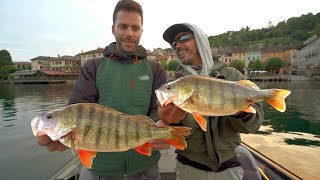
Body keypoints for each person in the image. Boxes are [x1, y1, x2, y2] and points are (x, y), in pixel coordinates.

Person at [36, 0, 169, 179]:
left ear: (141, 31)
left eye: (135, 28)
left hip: (145, 167)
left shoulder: (154, 68)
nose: (129, 33)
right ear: (113, 28)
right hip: (101, 171)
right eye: (123, 26)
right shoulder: (93, 67)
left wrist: (159, 126)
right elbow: (79, 111)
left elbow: (158, 109)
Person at [158, 23, 264, 180]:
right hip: (188, 169)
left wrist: (241, 111)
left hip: (229, 168)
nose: (178, 45)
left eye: (183, 38)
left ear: (201, 40)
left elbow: (254, 125)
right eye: (174, 43)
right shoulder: (174, 86)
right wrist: (172, 123)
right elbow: (172, 132)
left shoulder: (232, 76)